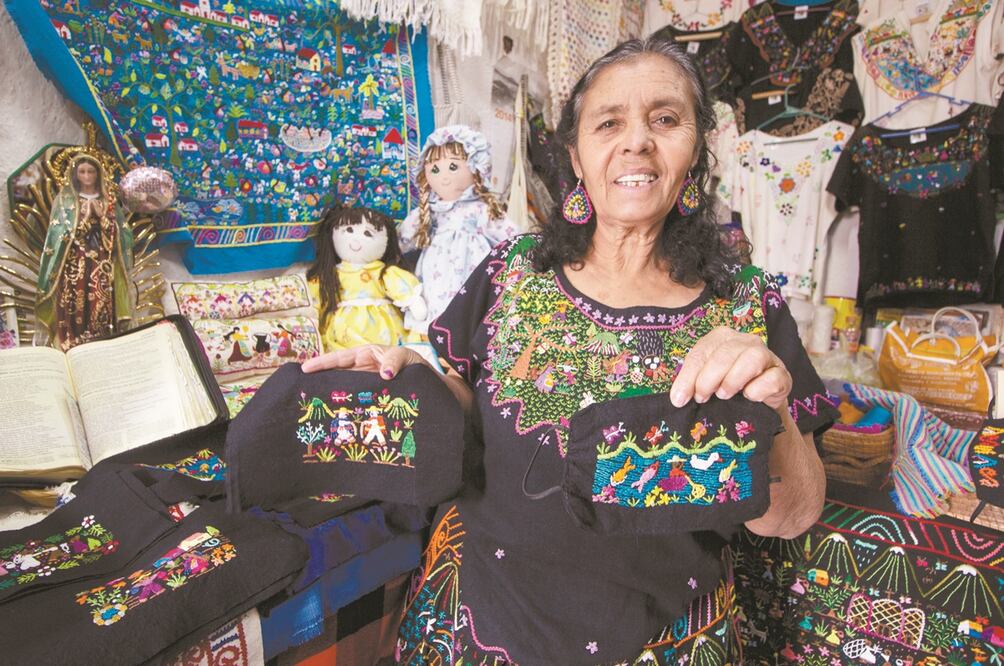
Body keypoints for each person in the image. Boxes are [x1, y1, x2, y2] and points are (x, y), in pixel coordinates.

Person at [304, 36, 836, 665]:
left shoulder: (746, 303)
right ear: (578, 159)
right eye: (608, 122)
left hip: (667, 636)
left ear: (695, 152)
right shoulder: (511, 272)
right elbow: (467, 408)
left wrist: (769, 404)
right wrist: (413, 377)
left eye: (665, 119)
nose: (636, 141)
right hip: (477, 620)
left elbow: (792, 517)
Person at [37, 155, 134, 350]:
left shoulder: (108, 201)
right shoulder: (66, 200)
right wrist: (84, 219)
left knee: (101, 298)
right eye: (82, 172)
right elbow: (58, 234)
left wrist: (103, 219)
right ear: (75, 175)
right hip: (74, 261)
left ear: (98, 174)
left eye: (91, 171)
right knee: (73, 297)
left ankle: (100, 339)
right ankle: (71, 340)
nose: (87, 176)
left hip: (101, 260)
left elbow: (122, 235)